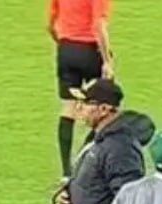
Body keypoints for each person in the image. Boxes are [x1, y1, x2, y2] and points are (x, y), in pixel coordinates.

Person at [47, 0, 115, 180]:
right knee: (102, 108)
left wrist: (64, 44)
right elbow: (99, 24)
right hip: (90, 51)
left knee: (69, 108)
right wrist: (107, 60)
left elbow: (51, 23)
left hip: (66, 49)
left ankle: (66, 172)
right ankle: (86, 162)